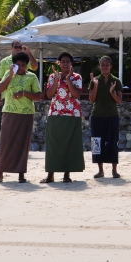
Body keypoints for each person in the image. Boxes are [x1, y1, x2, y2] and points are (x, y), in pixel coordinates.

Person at [0, 51, 42, 184]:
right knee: (5, 143)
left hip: (26, 114)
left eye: (23, 65)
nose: (21, 67)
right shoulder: (8, 73)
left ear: (27, 65)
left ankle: (21, 174)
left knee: (22, 143)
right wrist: (10, 75)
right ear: (14, 65)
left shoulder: (32, 77)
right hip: (9, 112)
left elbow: (39, 96)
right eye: (18, 65)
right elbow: (0, 89)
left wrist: (24, 93)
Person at [42, 52, 85, 183]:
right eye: (63, 61)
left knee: (70, 145)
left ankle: (67, 175)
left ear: (71, 64)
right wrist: (57, 79)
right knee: (53, 145)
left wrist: (68, 79)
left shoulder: (77, 77)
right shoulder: (52, 76)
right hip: (55, 114)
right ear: (58, 63)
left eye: (68, 61)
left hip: (72, 115)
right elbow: (49, 95)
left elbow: (76, 94)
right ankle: (50, 175)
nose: (65, 63)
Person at [88, 55, 123, 179]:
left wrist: (112, 92)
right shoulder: (94, 80)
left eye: (107, 65)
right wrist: (96, 85)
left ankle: (114, 170)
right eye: (102, 65)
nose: (105, 67)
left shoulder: (116, 81)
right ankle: (100, 170)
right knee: (97, 143)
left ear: (111, 66)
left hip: (112, 115)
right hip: (97, 116)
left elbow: (119, 101)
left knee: (113, 142)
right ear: (99, 66)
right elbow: (92, 99)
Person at [0, 41, 39, 107]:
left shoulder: (24, 61)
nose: (18, 49)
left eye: (20, 47)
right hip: (7, 96)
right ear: (11, 48)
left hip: (22, 96)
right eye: (16, 47)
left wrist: (28, 53)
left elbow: (35, 67)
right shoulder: (4, 61)